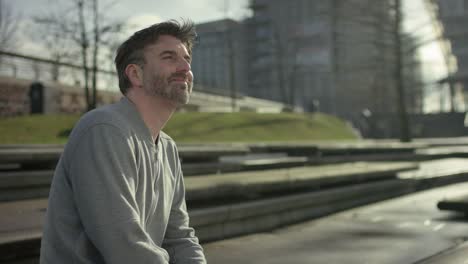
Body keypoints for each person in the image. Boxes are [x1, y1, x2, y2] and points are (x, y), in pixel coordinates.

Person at [40, 19, 206, 263]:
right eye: (169, 57)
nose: (185, 68)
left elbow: (179, 237)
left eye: (187, 59)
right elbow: (124, 245)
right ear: (136, 74)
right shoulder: (103, 130)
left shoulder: (168, 148)